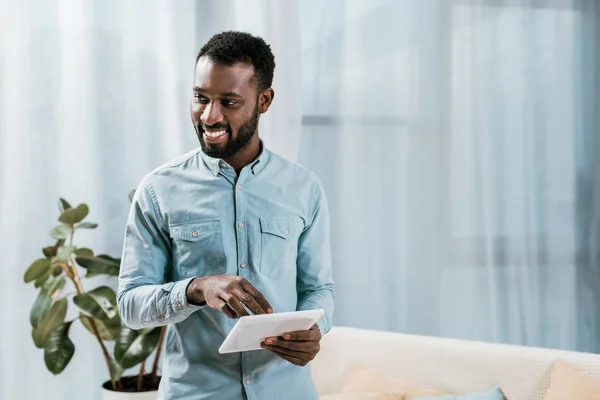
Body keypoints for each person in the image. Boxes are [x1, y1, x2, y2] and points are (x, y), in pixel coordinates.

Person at [117, 31, 335, 400]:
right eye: (200, 98)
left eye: (229, 102)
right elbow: (130, 304)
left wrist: (316, 329)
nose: (209, 115)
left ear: (263, 101)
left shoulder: (304, 188)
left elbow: (318, 289)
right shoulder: (158, 190)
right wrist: (196, 288)